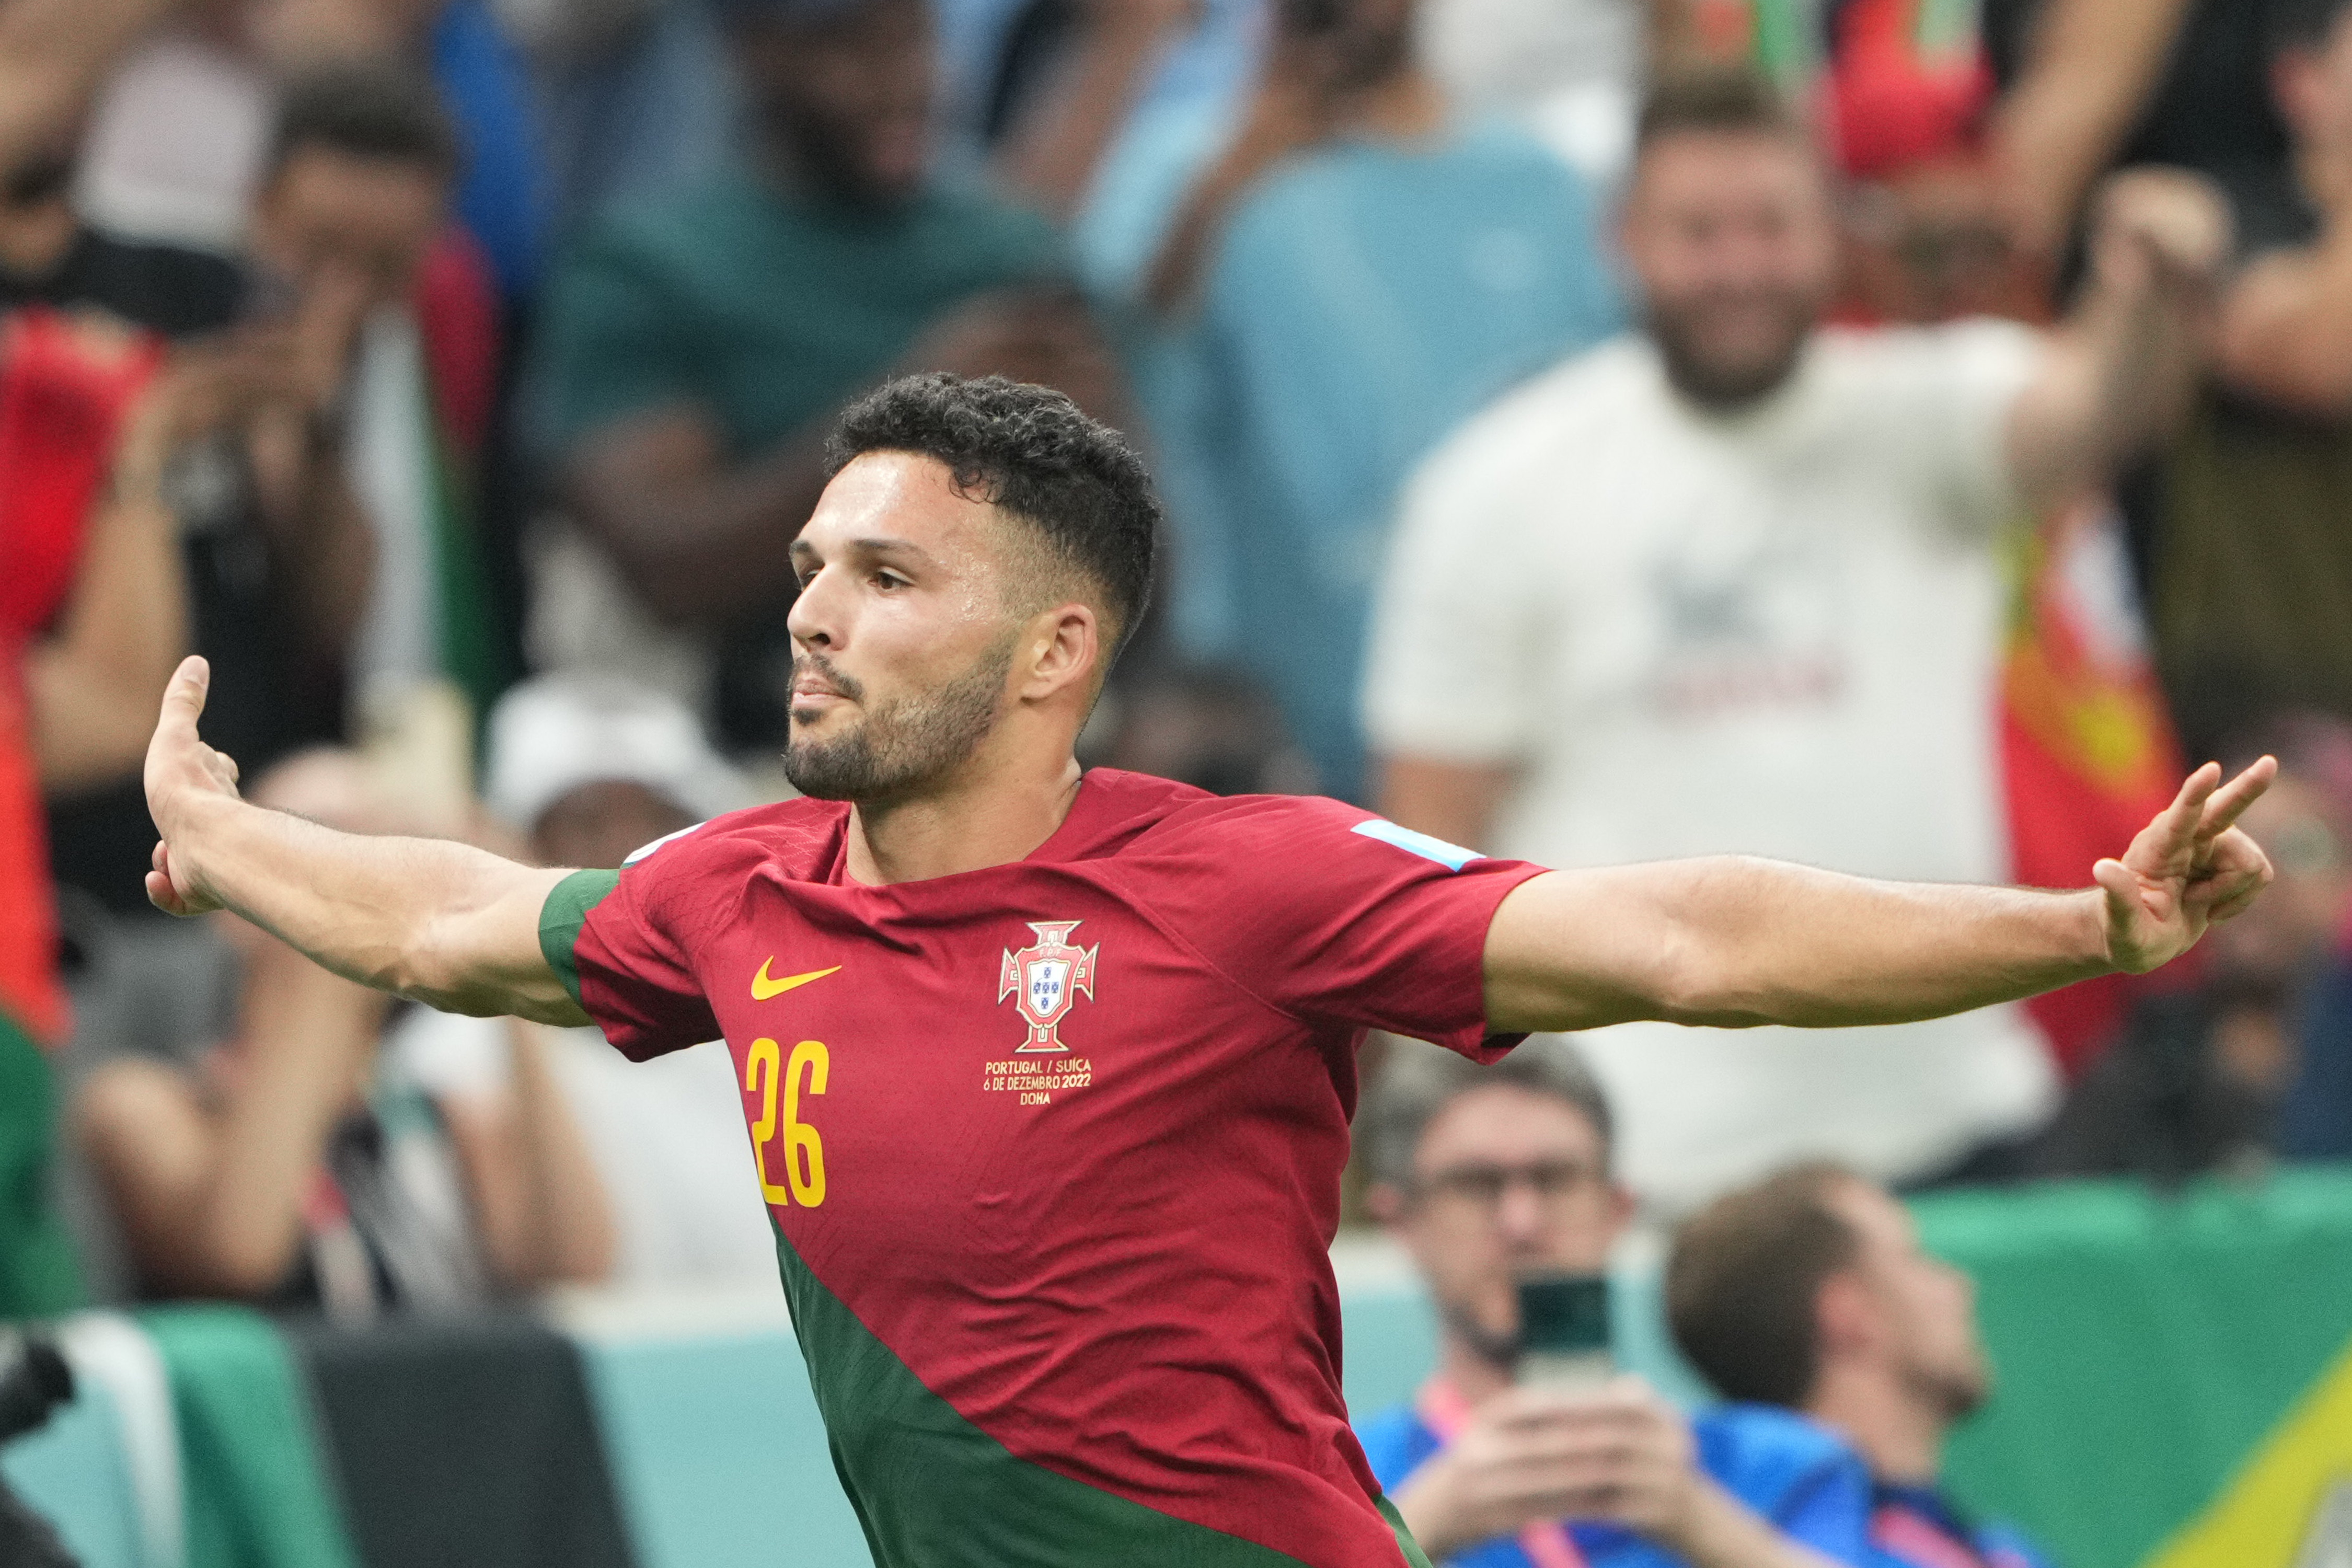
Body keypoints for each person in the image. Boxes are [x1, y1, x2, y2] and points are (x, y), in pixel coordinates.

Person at [136, 372, 2271, 1566]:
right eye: (809, 569)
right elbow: (439, 923)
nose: (812, 615)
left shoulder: (1253, 887)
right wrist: (228, 842)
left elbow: (1688, 939)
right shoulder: (734, 892)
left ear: (1058, 648)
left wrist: (2075, 927)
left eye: (886, 577)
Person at [1363, 70, 2230, 1208]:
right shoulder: (1499, 485)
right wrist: (1460, 1150)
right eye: (1697, 231)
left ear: (1833, 232)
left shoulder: (1927, 416)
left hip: (1950, 1125)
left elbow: (2101, 410)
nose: (1737, 268)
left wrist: (2155, 288)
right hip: (1645, 1164)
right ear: (1621, 238)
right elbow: (1431, 863)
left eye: (1771, 226)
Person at [528, 0, 1176, 749]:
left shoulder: (1013, 255)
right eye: (852, 47)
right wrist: (921, 405)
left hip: (1000, 749)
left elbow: (1135, 561)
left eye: (915, 41)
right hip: (747, 748)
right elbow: (666, 569)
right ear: (755, 52)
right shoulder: (651, 267)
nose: (901, 84)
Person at [1093, 0, 1622, 801]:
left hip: (1542, 720)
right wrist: (1234, 171)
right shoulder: (1181, 172)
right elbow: (1100, 380)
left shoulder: (1544, 186)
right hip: (1288, 742)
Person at [75, 749, 614, 1312]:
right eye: (313, 838)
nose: (361, 872)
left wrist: (512, 949)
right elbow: (239, 1254)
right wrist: (338, 927)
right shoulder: (144, 1101)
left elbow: (572, 1263)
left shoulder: (441, 1117)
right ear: (225, 896)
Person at [1355, 1038, 1875, 1568]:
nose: (1522, 1223)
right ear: (1401, 1223)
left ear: (1617, 1211)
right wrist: (1413, 1530)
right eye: (1476, 1184)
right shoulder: (1345, 1483)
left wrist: (1697, 1519)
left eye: (1555, 1179)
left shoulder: (1779, 1467)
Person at [389, 674, 785, 1290]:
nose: (630, 856)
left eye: (659, 819)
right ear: (515, 846)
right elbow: (564, 1269)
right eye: (586, 824)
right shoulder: (454, 1047)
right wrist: (510, 964)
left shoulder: (772, 1011)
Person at [1666, 1165, 2056, 1568]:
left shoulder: (2005, 1550)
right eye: (1915, 1258)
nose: (1959, 1284)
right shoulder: (1797, 1541)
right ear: (1851, 1314)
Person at [2036, 713, 2352, 1179]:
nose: (2264, 875)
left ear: (2343, 879)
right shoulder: (2142, 1060)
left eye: (2302, 849)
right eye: (2234, 844)